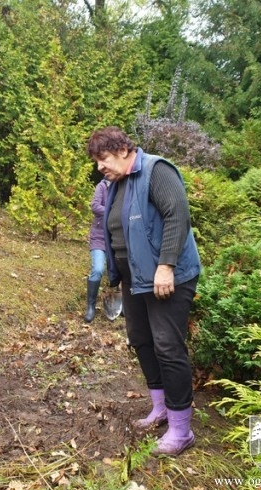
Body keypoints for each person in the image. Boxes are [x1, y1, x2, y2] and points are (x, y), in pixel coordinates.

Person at [86, 126, 201, 456]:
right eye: (97, 162)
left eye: (103, 159)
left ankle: (181, 430)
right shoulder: (117, 183)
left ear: (123, 150)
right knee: (141, 339)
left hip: (167, 277)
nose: (100, 167)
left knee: (167, 345)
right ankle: (160, 407)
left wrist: (166, 265)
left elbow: (177, 215)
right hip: (135, 278)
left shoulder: (156, 170)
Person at [85, 177, 111, 322]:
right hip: (99, 237)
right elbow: (95, 206)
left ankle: (124, 303)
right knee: (98, 269)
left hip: (116, 239)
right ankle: (90, 306)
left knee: (123, 270)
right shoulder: (102, 186)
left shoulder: (123, 187)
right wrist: (112, 211)